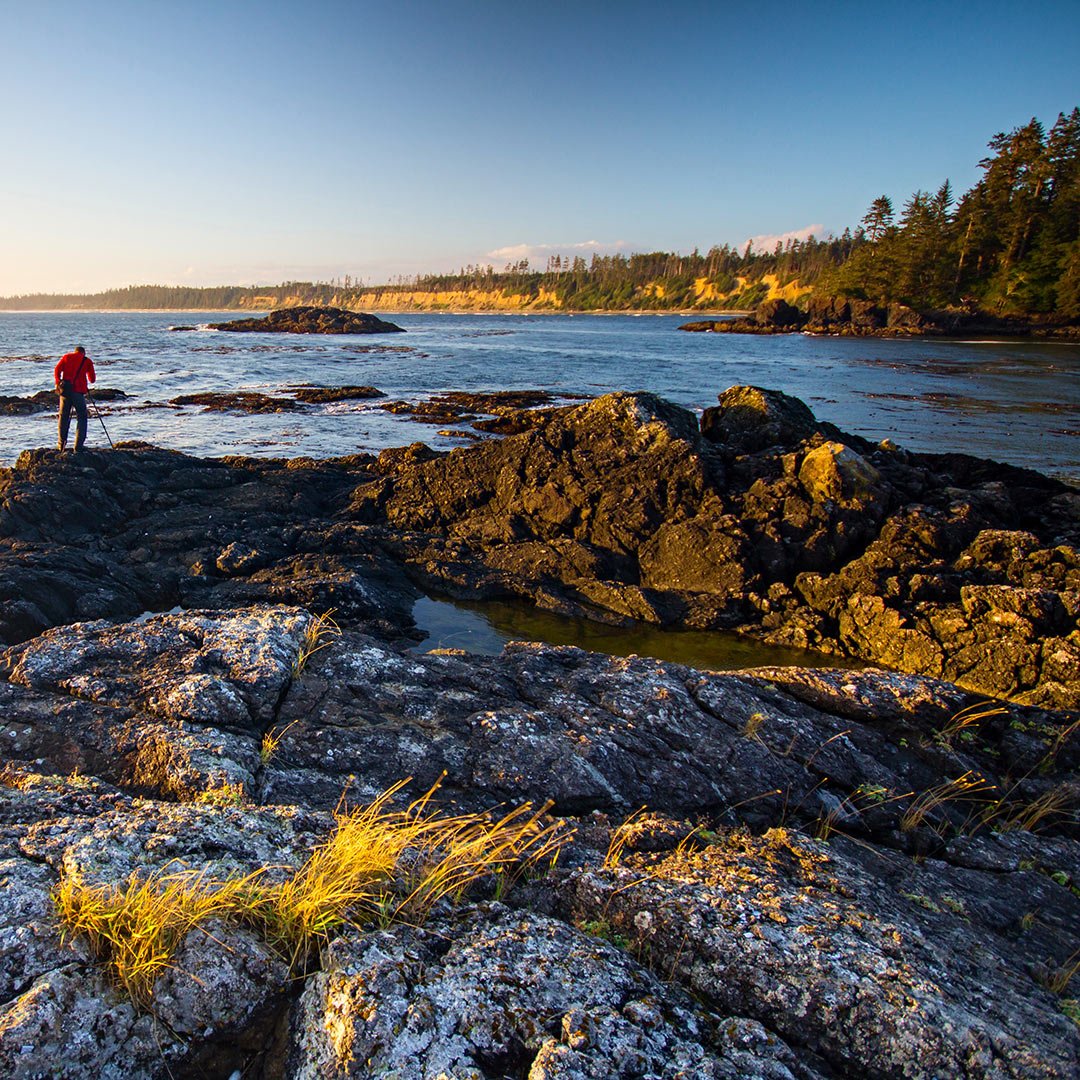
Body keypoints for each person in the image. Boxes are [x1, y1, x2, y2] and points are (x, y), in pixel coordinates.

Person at [54, 345, 96, 452]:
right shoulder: (87, 361)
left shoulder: (67, 357)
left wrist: (58, 382)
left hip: (65, 392)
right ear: (84, 353)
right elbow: (92, 380)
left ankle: (61, 445)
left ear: (75, 351)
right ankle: (78, 446)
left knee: (63, 417)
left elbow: (57, 370)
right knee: (82, 417)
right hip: (78, 392)